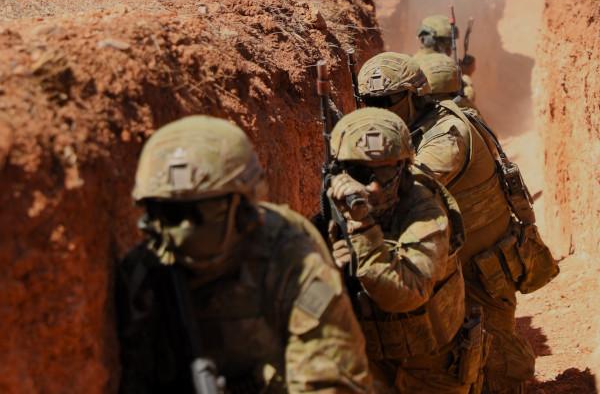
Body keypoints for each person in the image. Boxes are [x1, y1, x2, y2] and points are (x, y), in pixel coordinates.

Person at [116, 115, 373, 394]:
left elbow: (332, 379)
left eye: (194, 213)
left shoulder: (290, 256)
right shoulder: (145, 272)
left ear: (240, 208)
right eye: (163, 211)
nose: (175, 230)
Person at [357, 53, 535, 394]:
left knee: (495, 363)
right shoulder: (403, 129)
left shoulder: (446, 132)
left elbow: (413, 184)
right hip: (449, 266)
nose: (376, 109)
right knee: (454, 359)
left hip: (482, 268)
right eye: (368, 101)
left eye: (387, 100)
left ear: (415, 96)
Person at [326, 106, 484, 393]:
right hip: (372, 360)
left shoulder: (426, 210)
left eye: (385, 172)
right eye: (360, 172)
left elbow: (407, 293)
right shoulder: (335, 202)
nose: (373, 187)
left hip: (429, 371)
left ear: (404, 166)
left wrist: (361, 228)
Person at [414, 14, 476, 107]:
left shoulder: (411, 61)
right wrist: (466, 77)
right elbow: (464, 101)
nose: (450, 47)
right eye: (446, 41)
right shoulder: (445, 66)